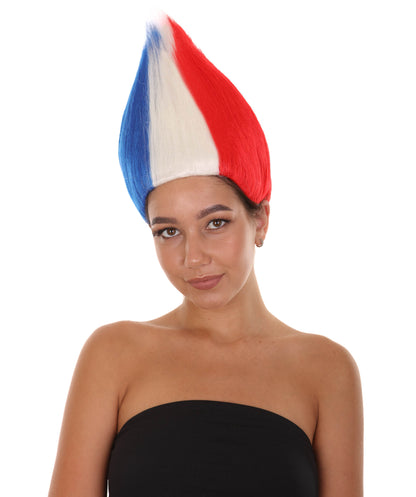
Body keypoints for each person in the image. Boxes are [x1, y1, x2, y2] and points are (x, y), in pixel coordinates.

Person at [48, 14, 363, 497]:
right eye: (168, 231)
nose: (192, 257)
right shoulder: (113, 354)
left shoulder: (327, 369)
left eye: (215, 223)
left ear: (260, 220)